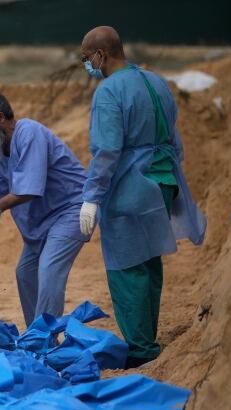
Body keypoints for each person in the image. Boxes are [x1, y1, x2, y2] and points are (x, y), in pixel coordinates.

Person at [79, 26, 206, 368]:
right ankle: (146, 338)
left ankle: (140, 349)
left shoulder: (109, 92)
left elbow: (107, 151)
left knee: (127, 267)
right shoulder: (156, 82)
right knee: (149, 261)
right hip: (163, 180)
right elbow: (175, 140)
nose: (86, 64)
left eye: (86, 57)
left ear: (100, 55)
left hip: (131, 189)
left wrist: (92, 196)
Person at [0, 91, 89, 326]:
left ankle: (44, 340)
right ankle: (36, 335)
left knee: (49, 269)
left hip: (71, 210)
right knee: (25, 273)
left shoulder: (29, 133)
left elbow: (29, 189)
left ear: (0, 117)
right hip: (41, 221)